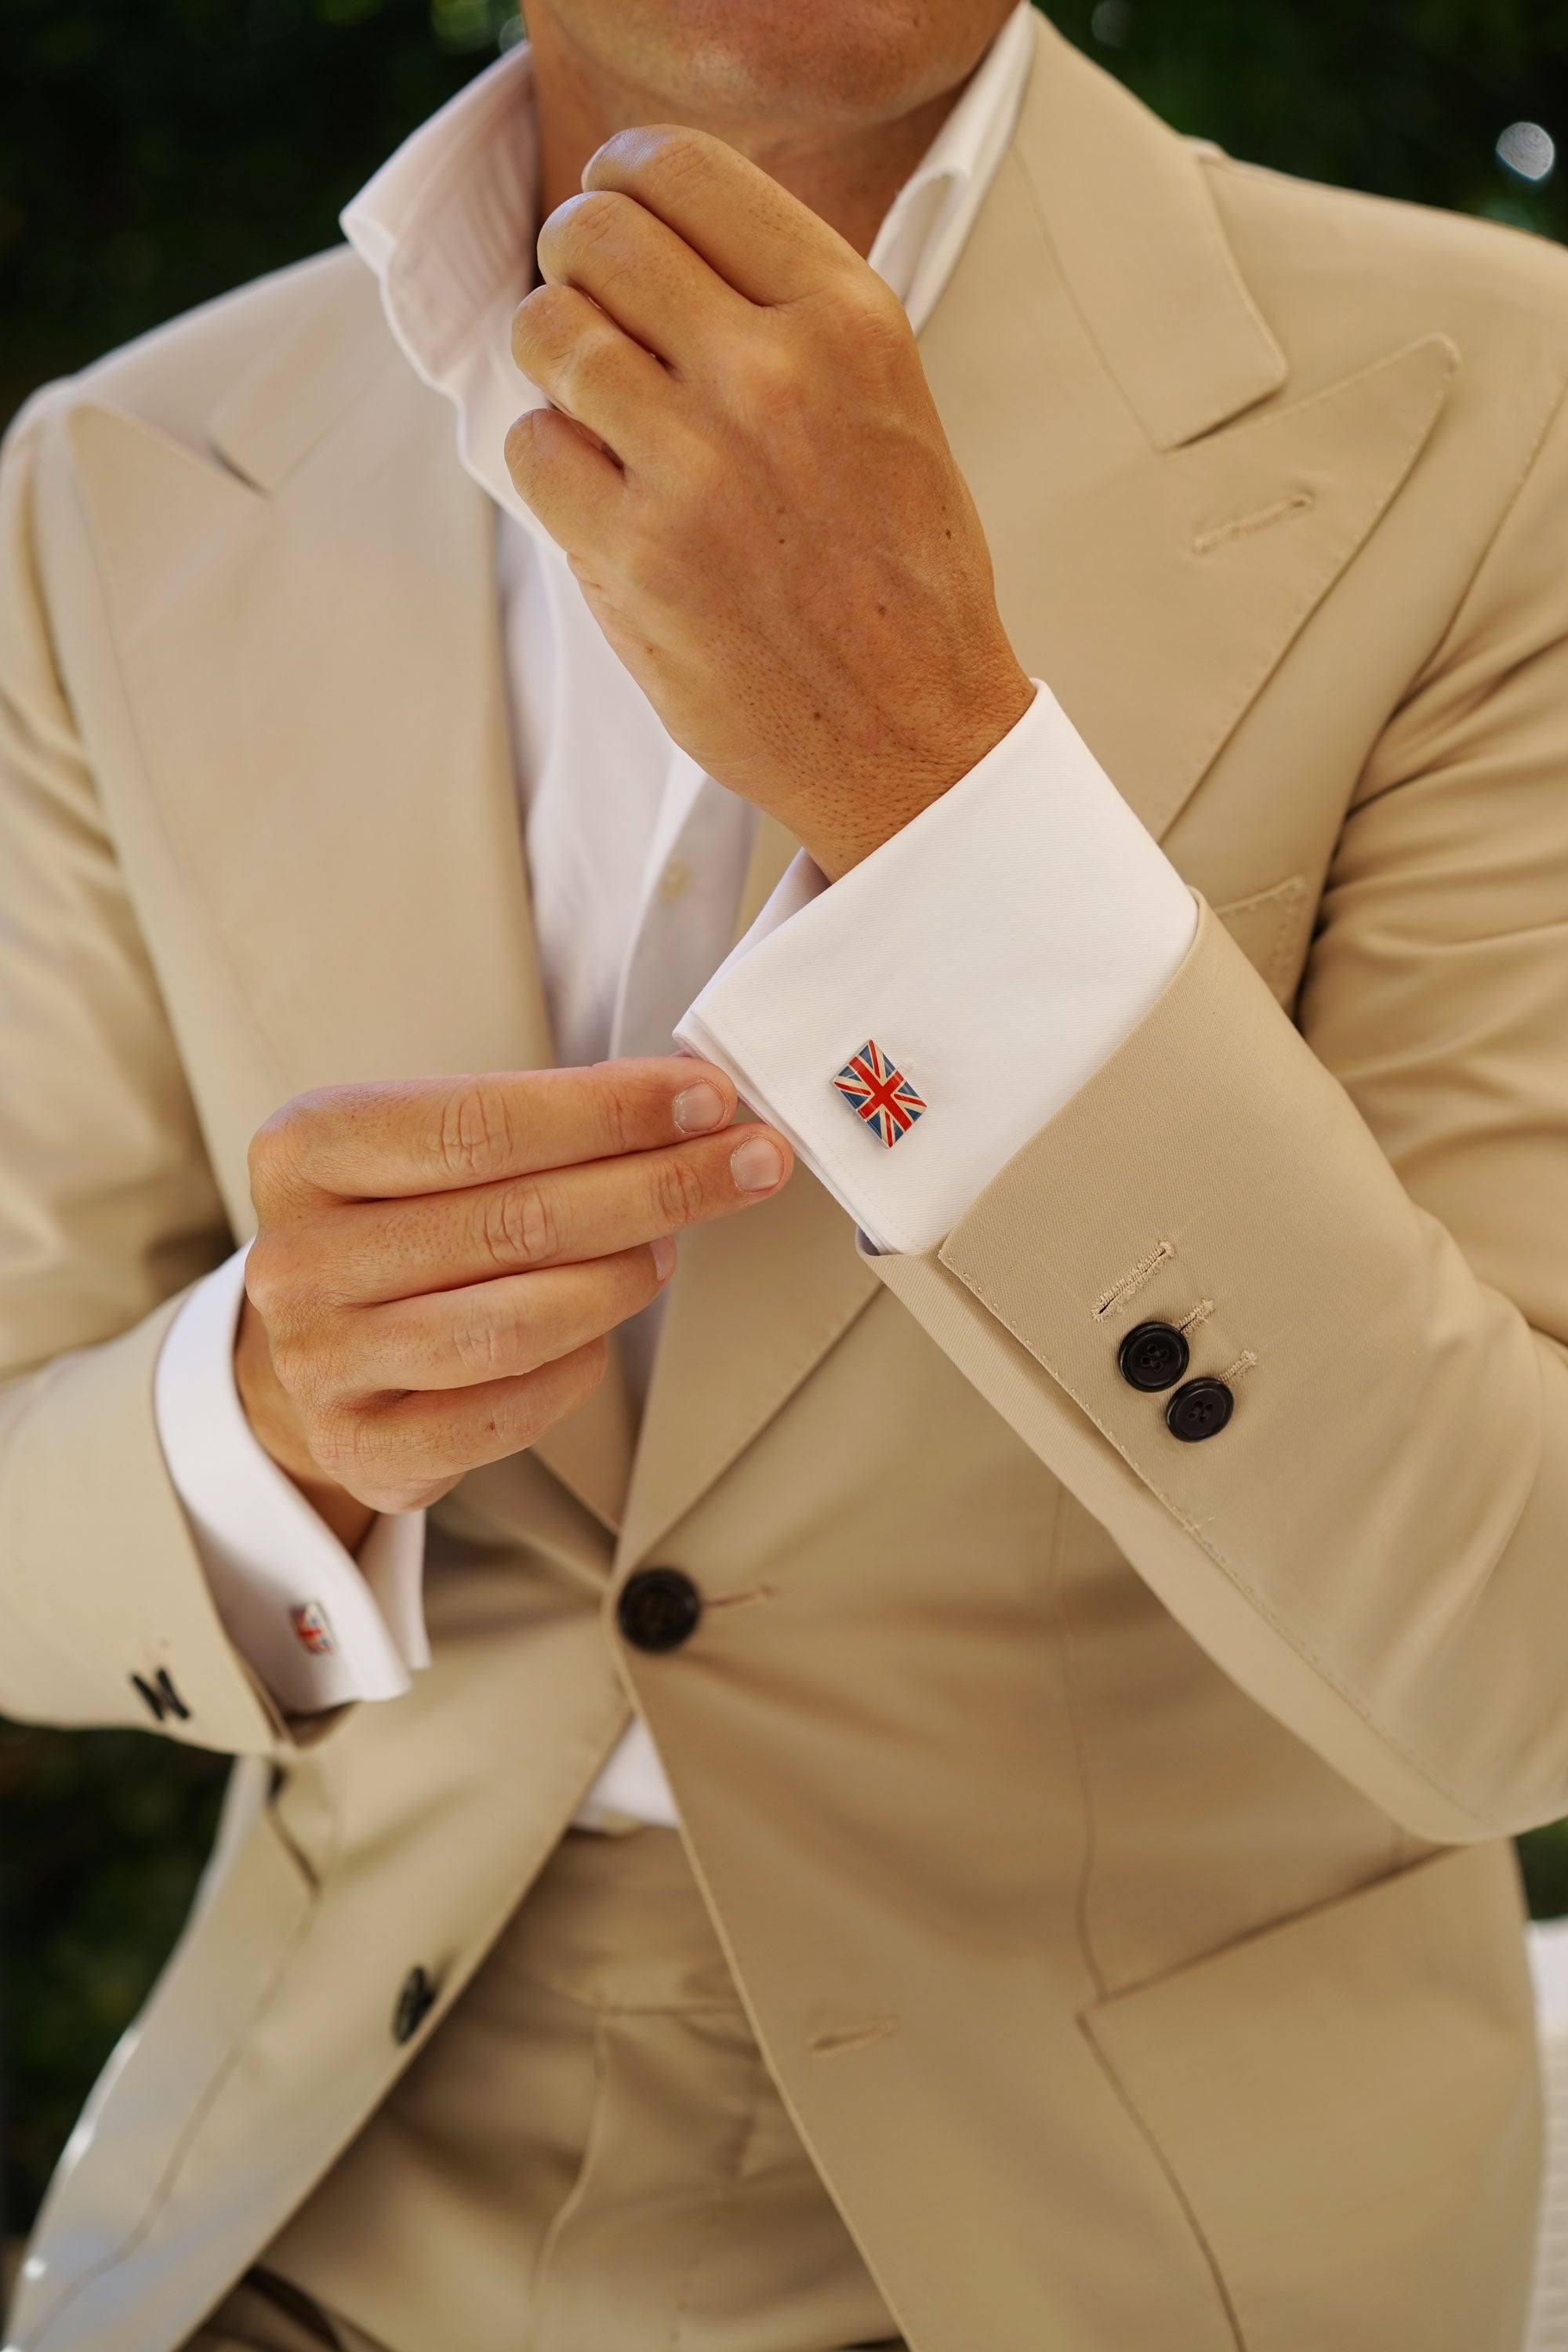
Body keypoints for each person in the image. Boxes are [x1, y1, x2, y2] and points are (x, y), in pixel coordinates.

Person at [2, 0, 1566, 2343]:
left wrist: (949, 798)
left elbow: (1518, 1656)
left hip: (1148, 2232)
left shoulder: (1507, 398)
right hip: (296, 2192)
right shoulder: (113, 477)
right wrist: (260, 1429)